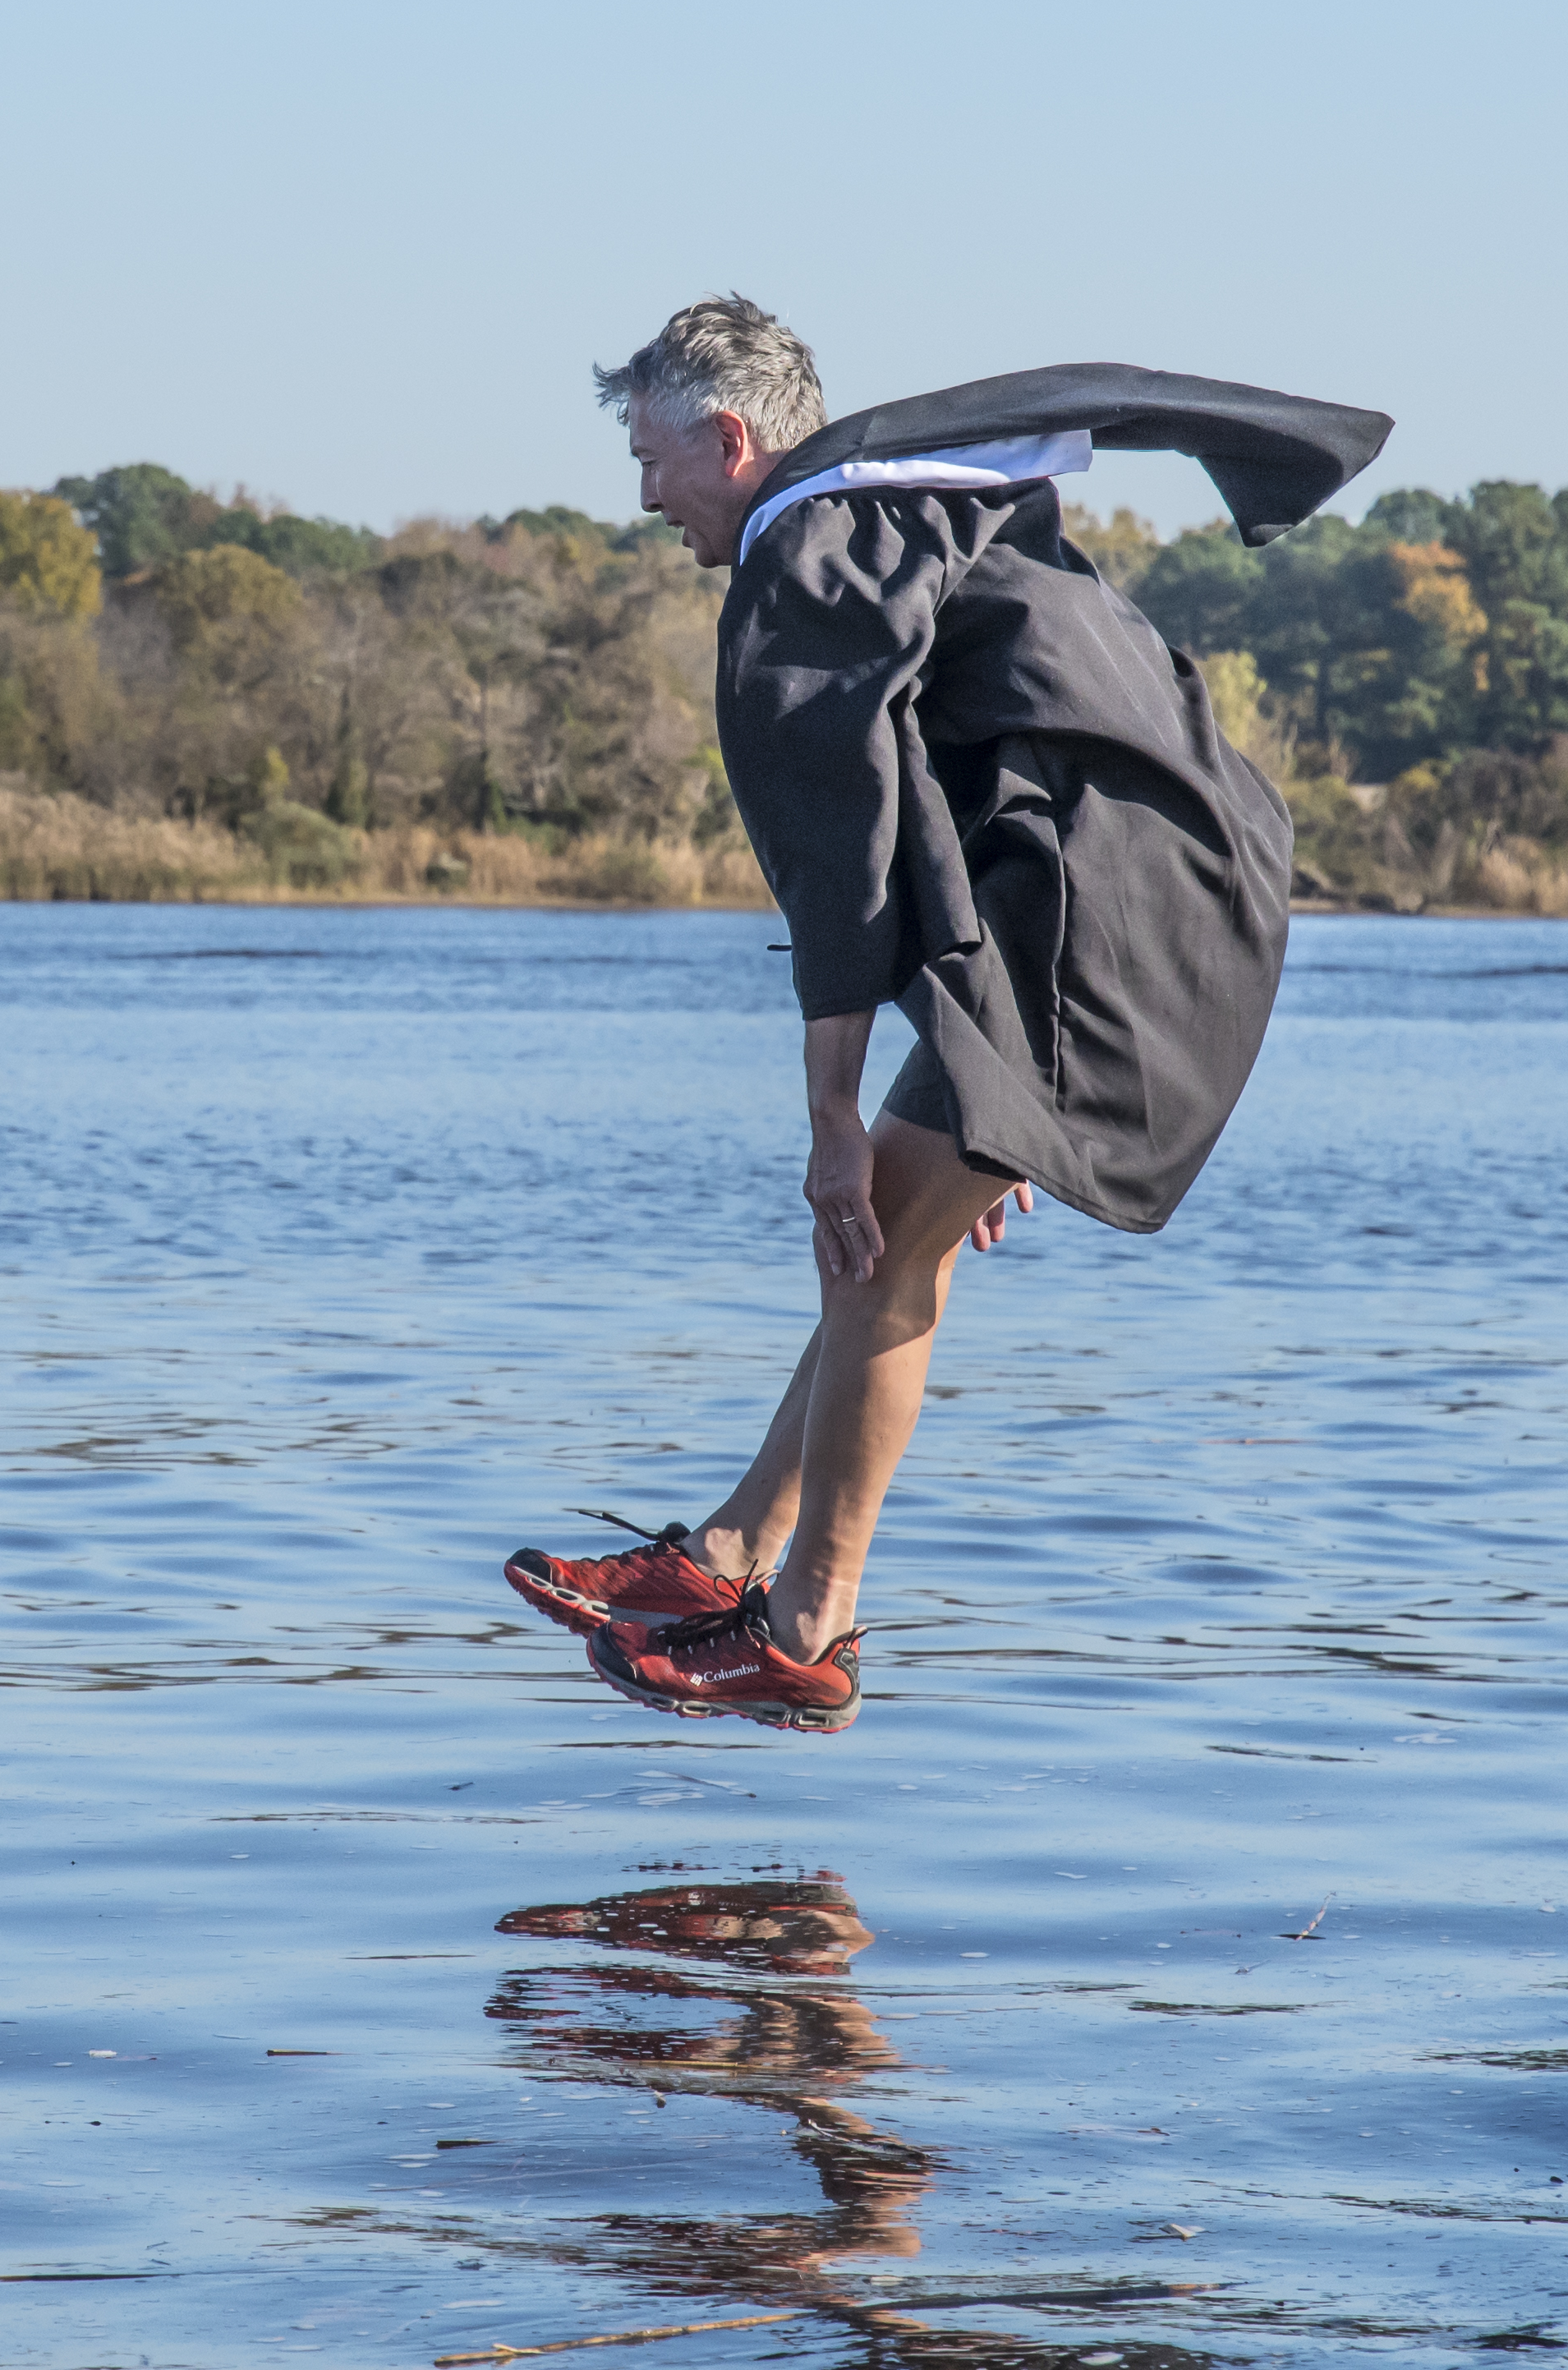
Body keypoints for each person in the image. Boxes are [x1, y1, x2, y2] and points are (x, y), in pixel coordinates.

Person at [504, 295, 1387, 1732]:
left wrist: (833, 1117)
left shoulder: (807, 548)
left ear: (731, 440)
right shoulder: (900, 512)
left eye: (653, 459)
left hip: (1113, 915)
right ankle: (724, 1559)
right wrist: (983, 1088)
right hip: (1125, 895)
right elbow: (934, 803)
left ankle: (807, 1631)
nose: (645, 496)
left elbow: (846, 862)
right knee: (890, 1239)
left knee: (867, 1243)